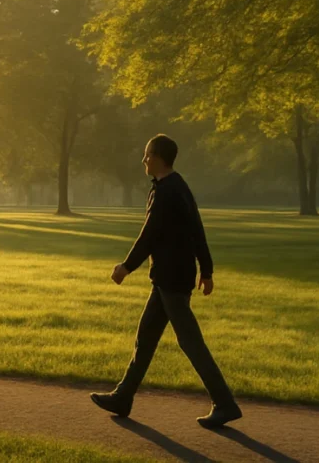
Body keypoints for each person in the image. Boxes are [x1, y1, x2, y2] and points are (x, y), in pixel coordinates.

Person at [90, 134, 242, 428]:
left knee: (190, 342)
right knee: (145, 338)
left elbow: (150, 235)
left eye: (147, 154)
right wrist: (206, 270)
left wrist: (125, 267)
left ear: (158, 156)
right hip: (169, 278)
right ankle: (123, 396)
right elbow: (197, 230)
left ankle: (224, 403)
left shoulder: (165, 191)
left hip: (171, 279)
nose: (144, 160)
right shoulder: (179, 186)